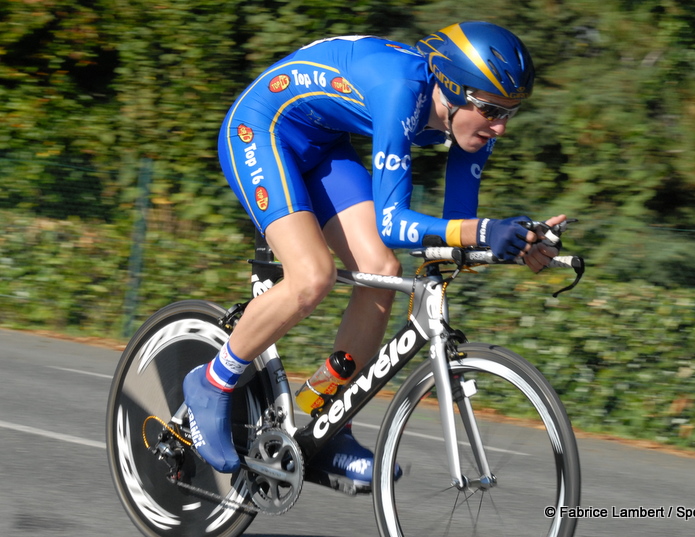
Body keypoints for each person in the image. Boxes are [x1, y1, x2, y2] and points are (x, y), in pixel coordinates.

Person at [182, 21, 567, 492]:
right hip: (261, 129)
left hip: (324, 146)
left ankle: (328, 420)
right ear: (449, 86)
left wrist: (513, 241)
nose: (500, 127)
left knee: (382, 271)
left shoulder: (474, 128)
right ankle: (213, 382)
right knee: (312, 276)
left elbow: (457, 228)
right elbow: (393, 222)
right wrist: (485, 230)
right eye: (489, 109)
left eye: (510, 112)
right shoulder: (400, 91)